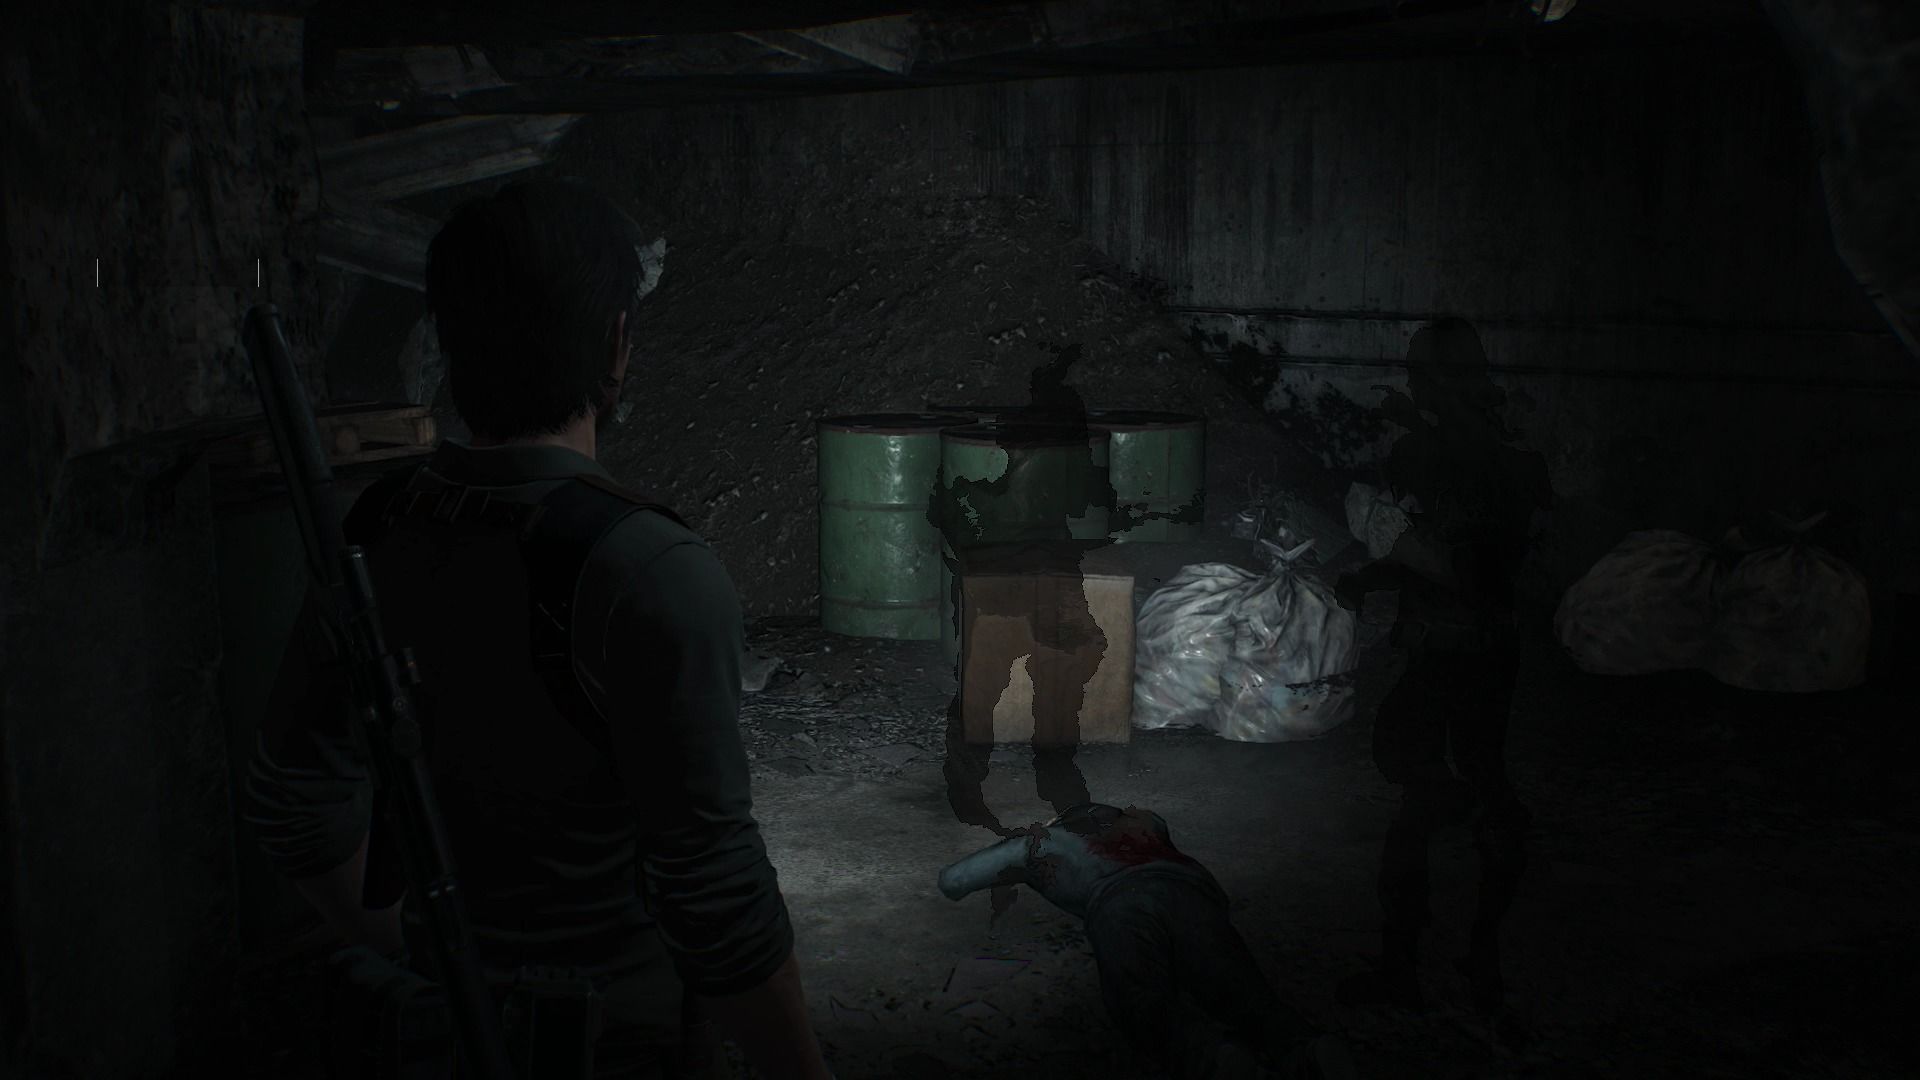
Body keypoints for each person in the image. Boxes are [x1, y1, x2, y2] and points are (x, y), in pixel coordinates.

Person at [242, 179, 832, 1079]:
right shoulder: (654, 570)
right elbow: (715, 900)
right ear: (617, 344)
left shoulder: (377, 531)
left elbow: (292, 800)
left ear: (447, 341)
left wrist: (425, 956)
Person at [1334, 319, 1552, 1024]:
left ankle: (1406, 964)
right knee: (1475, 775)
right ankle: (1479, 957)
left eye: (1416, 373)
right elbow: (1483, 563)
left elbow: (1440, 560)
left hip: (1447, 648)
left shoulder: (1422, 456)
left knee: (1417, 780)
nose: (1408, 383)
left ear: (1431, 382)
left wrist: (1372, 573)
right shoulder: (1519, 461)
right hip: (1493, 649)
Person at [938, 804, 1356, 1080]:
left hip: (1123, 903)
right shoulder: (1146, 824)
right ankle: (1308, 1048)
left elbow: (953, 881)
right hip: (1194, 890)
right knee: (1239, 989)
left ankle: (1215, 1060)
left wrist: (1020, 856)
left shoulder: (1040, 841)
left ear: (1056, 821)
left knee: (1142, 1006)